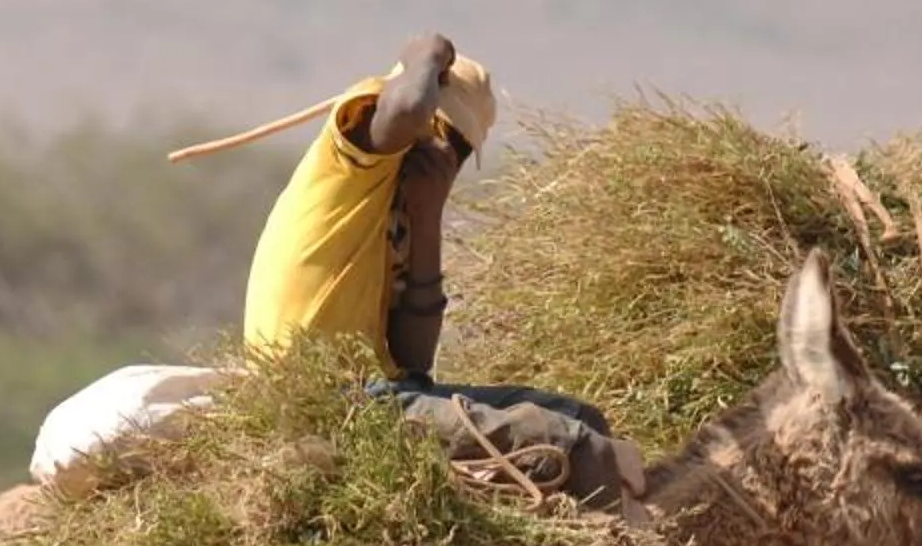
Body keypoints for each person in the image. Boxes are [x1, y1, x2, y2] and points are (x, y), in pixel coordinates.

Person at [237, 32, 644, 508]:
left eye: (459, 149)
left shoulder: (405, 210)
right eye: (444, 136)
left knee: (584, 417)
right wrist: (428, 52)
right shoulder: (355, 160)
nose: (447, 154)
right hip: (330, 400)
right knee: (580, 446)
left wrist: (428, 220)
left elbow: (413, 363)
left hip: (384, 391)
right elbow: (407, 106)